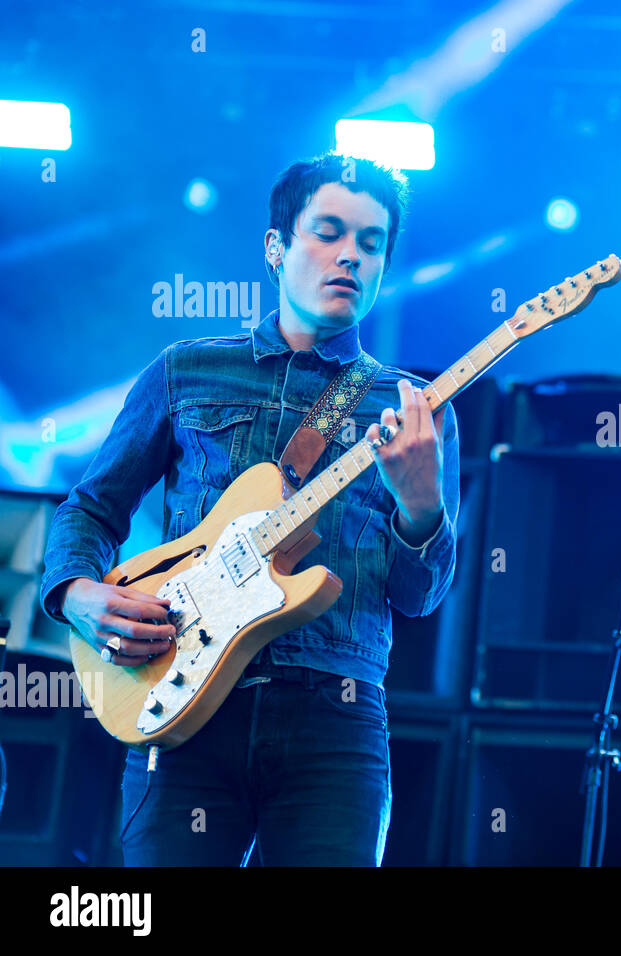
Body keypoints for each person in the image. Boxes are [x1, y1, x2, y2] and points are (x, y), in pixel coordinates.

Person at [39, 153, 460, 866]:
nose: (350, 255)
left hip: (337, 715)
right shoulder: (186, 369)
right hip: (181, 701)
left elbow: (420, 599)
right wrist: (77, 595)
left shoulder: (412, 408)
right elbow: (88, 508)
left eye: (370, 241)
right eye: (328, 232)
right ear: (276, 247)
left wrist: (421, 505)